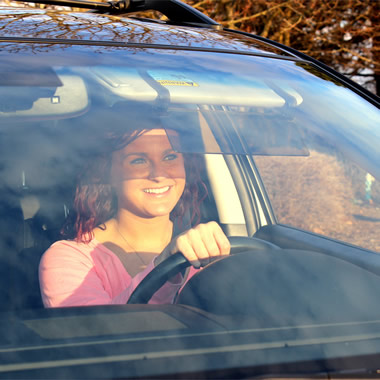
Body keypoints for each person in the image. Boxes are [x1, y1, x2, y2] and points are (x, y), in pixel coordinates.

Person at [39, 106, 230, 307]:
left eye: (170, 157)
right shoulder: (69, 259)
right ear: (107, 174)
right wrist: (164, 267)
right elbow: (95, 332)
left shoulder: (211, 247)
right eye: (138, 161)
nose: (159, 175)